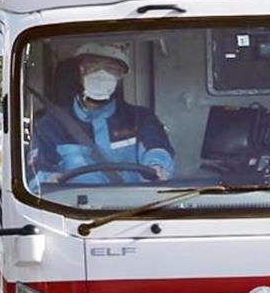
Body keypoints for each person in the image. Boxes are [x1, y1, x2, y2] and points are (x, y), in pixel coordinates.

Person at [28, 43, 175, 188]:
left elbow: (157, 149)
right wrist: (49, 181)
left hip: (133, 207)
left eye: (111, 68)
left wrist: (157, 165)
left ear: (120, 76)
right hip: (73, 209)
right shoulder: (51, 125)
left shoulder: (141, 118)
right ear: (80, 72)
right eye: (93, 65)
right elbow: (37, 178)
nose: (101, 74)